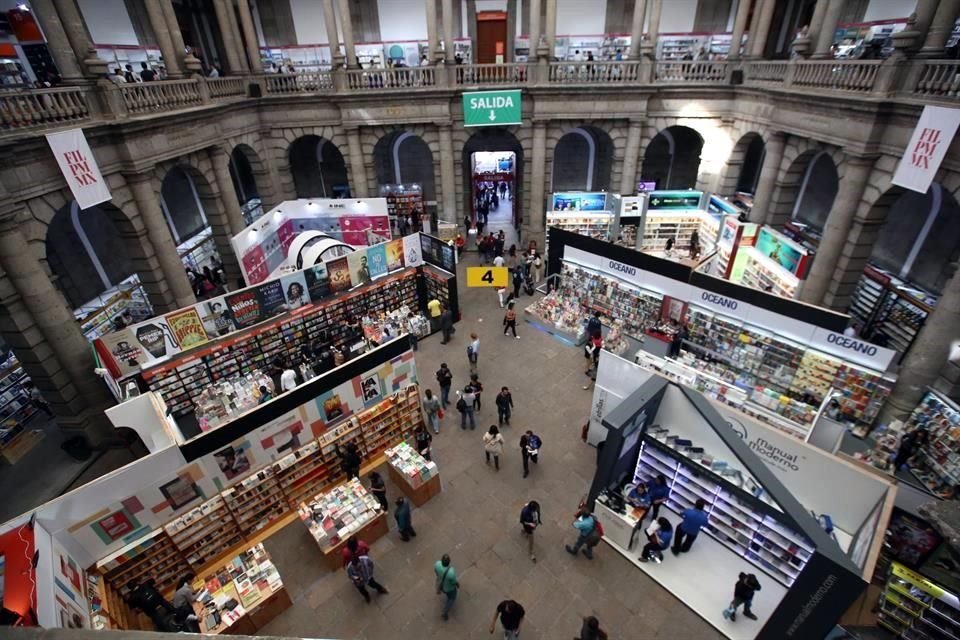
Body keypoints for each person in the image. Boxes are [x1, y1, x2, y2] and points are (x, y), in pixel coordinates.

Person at [435, 553, 459, 620]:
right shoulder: (451, 572)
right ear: (449, 562)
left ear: (441, 560)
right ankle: (445, 612)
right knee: (451, 598)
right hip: (449, 589)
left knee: (449, 596)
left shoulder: (437, 564)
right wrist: (458, 584)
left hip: (440, 585)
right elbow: (454, 582)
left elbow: (436, 572)